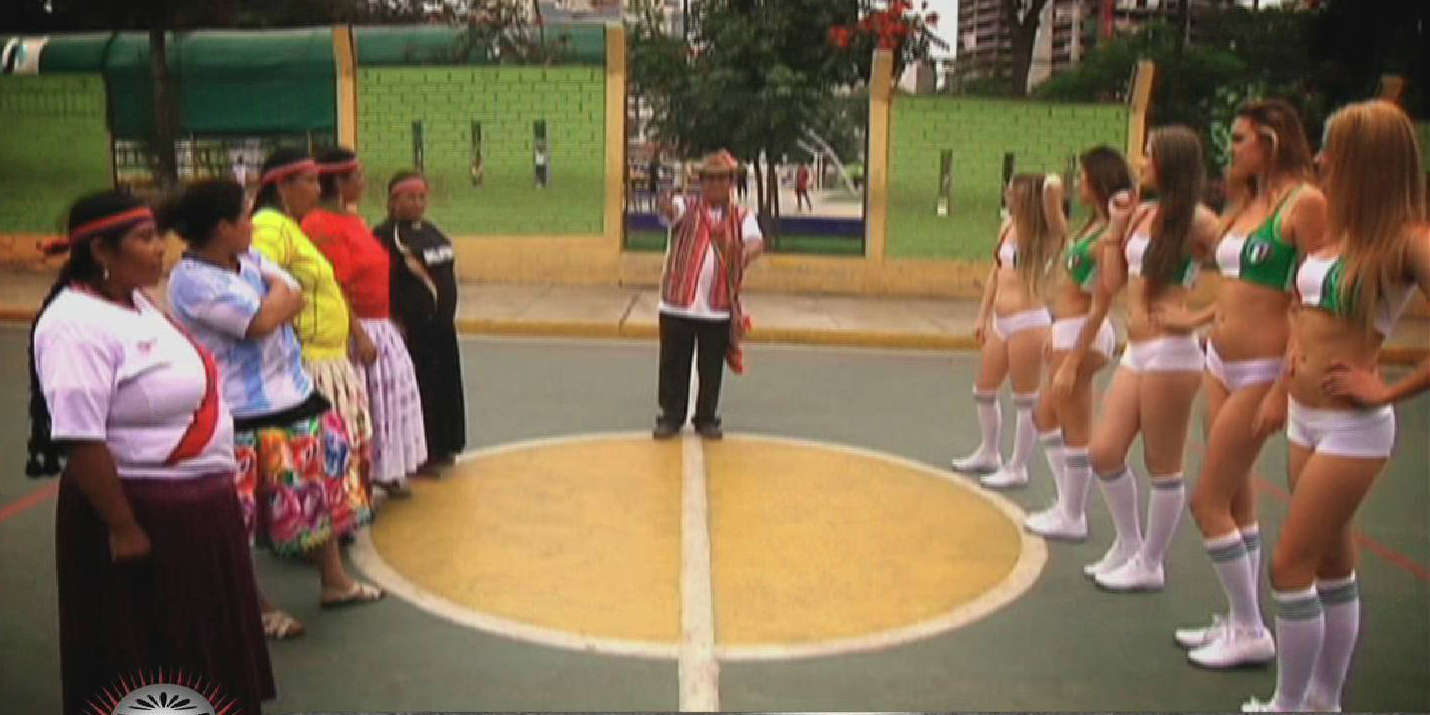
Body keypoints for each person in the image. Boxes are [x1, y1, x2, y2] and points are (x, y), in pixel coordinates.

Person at [28, 191, 274, 714]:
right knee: (151, 651)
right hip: (146, 513)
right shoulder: (73, 324)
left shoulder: (136, 304)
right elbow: (79, 437)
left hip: (198, 512)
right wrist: (122, 525)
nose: (161, 248)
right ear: (101, 250)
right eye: (145, 239)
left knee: (202, 652)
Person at [1242, 99, 1429, 713]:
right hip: (1306, 419)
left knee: (1288, 564)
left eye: (1334, 150)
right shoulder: (1340, 232)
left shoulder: (1408, 242)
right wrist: (1284, 379)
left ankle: (1289, 705)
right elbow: (1303, 314)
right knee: (1330, 562)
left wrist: (1388, 388)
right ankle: (1323, 699)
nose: (1321, 159)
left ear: (1369, 161)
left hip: (1354, 428)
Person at [164, 178, 384, 641]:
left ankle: (335, 582)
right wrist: (276, 302)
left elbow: (294, 294)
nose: (253, 223)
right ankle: (255, 606)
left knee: (318, 494)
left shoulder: (247, 260)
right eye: (245, 216)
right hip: (243, 413)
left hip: (294, 397)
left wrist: (277, 301)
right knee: (242, 519)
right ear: (222, 227)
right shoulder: (192, 281)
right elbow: (260, 322)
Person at [1170, 100, 1327, 669]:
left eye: (1239, 139)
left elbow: (1315, 296)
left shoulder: (1304, 204)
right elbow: (1224, 279)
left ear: (1271, 141)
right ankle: (1238, 616)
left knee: (1206, 500)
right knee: (1235, 495)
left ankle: (1252, 628)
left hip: (1262, 371)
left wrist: (1285, 383)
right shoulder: (1244, 203)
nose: (1230, 148)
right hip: (1220, 363)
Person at [1055, 126, 1221, 591]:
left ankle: (1151, 561)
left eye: (1149, 154)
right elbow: (1111, 283)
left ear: (1170, 162)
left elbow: (1247, 280)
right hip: (1137, 349)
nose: (1140, 161)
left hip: (1172, 353)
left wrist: (1198, 317)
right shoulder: (1143, 213)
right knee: (1104, 452)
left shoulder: (1200, 221)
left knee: (1162, 464)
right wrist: (1114, 228)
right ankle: (1129, 543)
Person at [248, 148, 377, 499]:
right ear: (282, 186)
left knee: (344, 449)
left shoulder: (291, 228)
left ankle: (340, 515)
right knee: (327, 455)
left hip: (329, 357)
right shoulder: (269, 226)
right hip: (311, 359)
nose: (318, 190)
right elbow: (255, 279)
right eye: (309, 181)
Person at [304, 147, 428, 496]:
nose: (363, 182)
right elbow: (333, 286)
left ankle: (385, 471)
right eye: (356, 176)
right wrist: (358, 334)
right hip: (354, 329)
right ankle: (359, 478)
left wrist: (387, 320)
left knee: (387, 402)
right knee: (361, 407)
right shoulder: (319, 226)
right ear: (338, 183)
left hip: (379, 323)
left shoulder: (353, 221)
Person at [1023, 148, 1132, 540]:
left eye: (1085, 177)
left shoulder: (1109, 236)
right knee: (1044, 417)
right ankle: (1067, 501)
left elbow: (1102, 302)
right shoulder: (1092, 226)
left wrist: (1072, 359)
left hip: (1083, 333)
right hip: (1067, 329)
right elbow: (1054, 205)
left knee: (1075, 428)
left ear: (1101, 181)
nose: (1080, 184)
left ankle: (1073, 515)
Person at [952, 173, 1066, 490]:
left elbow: (1056, 201)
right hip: (1001, 322)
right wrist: (983, 315)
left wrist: (1048, 186)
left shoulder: (1046, 235)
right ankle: (989, 451)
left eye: (1015, 191)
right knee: (984, 390)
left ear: (1029, 197)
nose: (1008, 194)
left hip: (1028, 321)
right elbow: (996, 273)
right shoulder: (1007, 226)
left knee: (1025, 399)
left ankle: (1018, 466)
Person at [653, 149, 764, 439]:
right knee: (673, 363)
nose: (716, 185)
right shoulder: (687, 207)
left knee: (711, 366)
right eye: (710, 179)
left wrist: (745, 253)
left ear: (731, 183)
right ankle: (671, 416)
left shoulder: (741, 216)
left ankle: (706, 417)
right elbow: (670, 211)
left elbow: (756, 241)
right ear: (701, 183)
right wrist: (665, 204)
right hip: (678, 302)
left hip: (717, 305)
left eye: (722, 179)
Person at [374, 171, 467, 470]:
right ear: (393, 201)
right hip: (413, 332)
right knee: (421, 392)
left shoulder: (432, 232)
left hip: (442, 329)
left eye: (421, 197)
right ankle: (421, 455)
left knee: (445, 389)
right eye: (410, 197)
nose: (417, 203)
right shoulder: (387, 236)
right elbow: (381, 281)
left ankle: (446, 445)